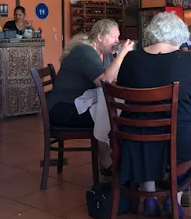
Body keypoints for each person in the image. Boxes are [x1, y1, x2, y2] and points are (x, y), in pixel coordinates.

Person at [116, 12, 191, 219]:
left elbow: (122, 88)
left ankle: (149, 195)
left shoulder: (131, 58)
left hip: (134, 138)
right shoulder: (187, 61)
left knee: (148, 140)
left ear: (153, 31)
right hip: (180, 140)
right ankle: (174, 196)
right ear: (179, 34)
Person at [47, 19, 134, 173]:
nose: (116, 41)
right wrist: (123, 53)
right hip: (63, 109)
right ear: (100, 37)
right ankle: (109, 163)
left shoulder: (104, 54)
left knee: (112, 111)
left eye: (117, 37)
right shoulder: (84, 51)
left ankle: (112, 160)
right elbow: (105, 81)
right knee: (113, 114)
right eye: (113, 37)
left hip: (79, 103)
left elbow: (113, 76)